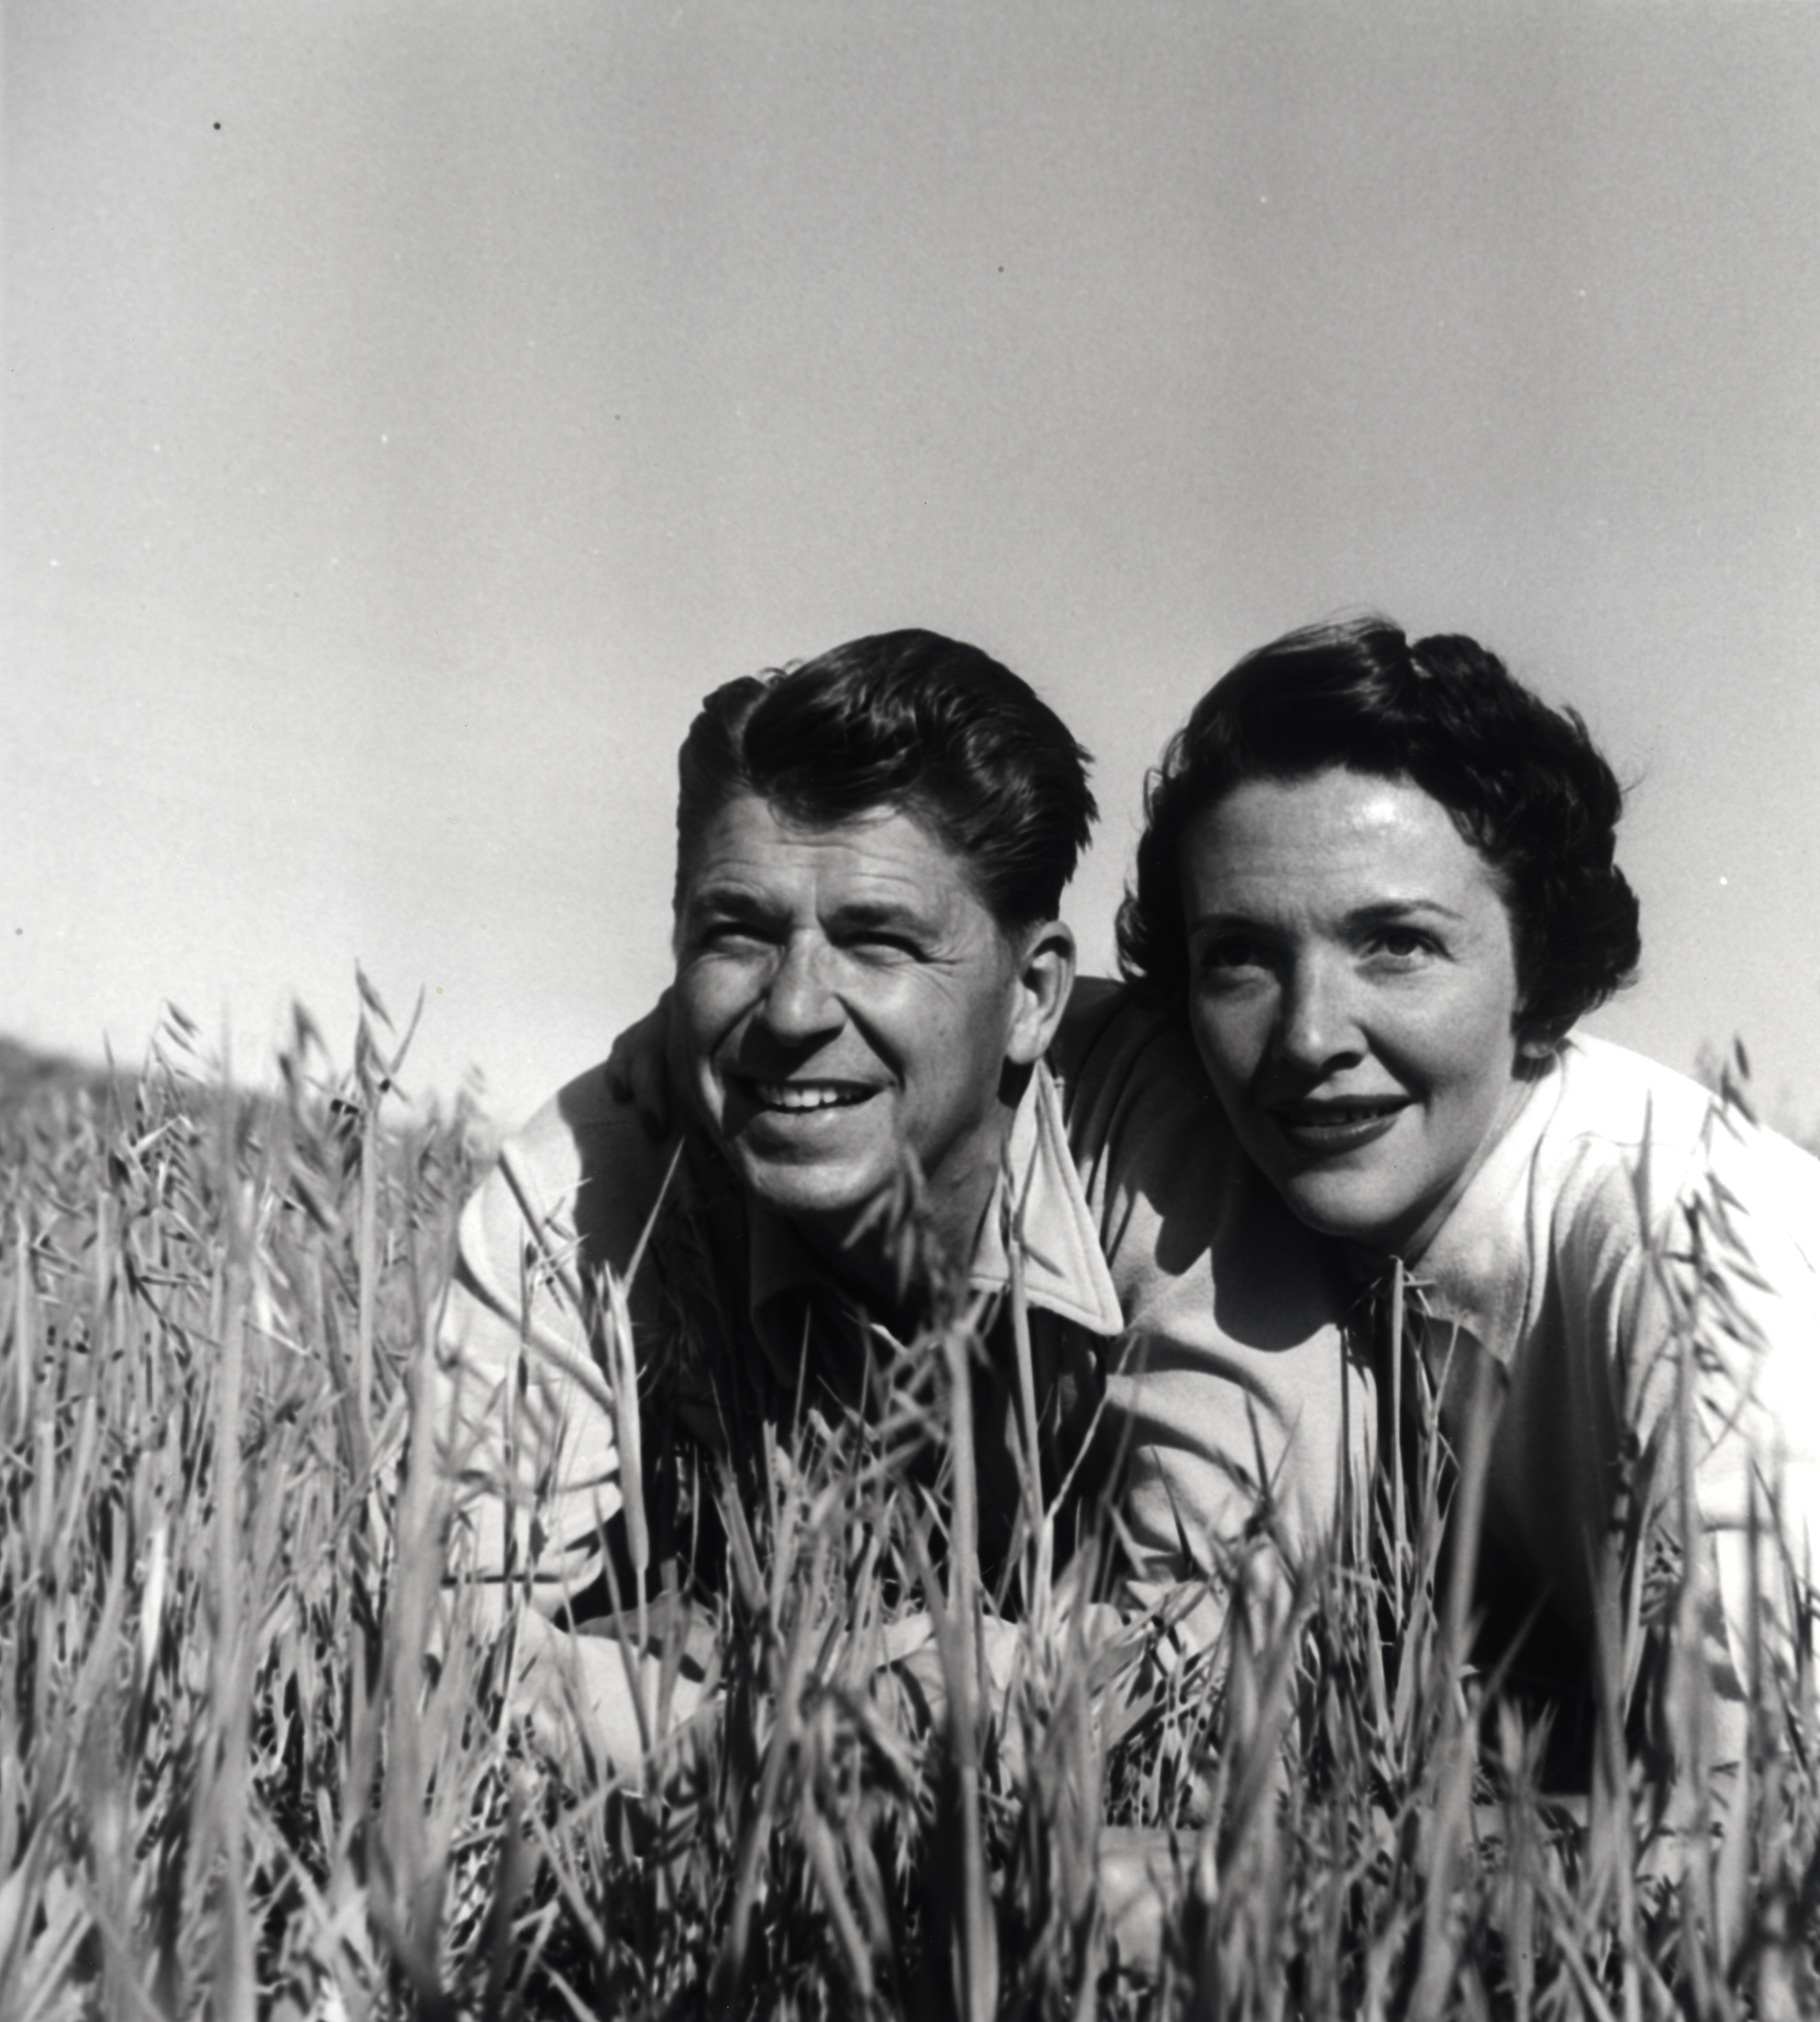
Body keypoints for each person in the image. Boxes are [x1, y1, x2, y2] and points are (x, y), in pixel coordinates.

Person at [435, 627, 1362, 1774]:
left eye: (877, 943)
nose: (789, 1012)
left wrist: (745, 1683)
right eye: (738, 932)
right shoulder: (597, 1162)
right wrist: (813, 1729)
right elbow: (430, 1629)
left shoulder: (1161, 1137)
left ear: (1031, 998)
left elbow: (1227, 1646)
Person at [1112, 613, 1820, 1768]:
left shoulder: (1677, 1254)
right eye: (1239, 956)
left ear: (1533, 965)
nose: (1307, 1035)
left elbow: (1764, 1832)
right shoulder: (1323, 1185)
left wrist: (1221, 1887)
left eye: (1394, 944)